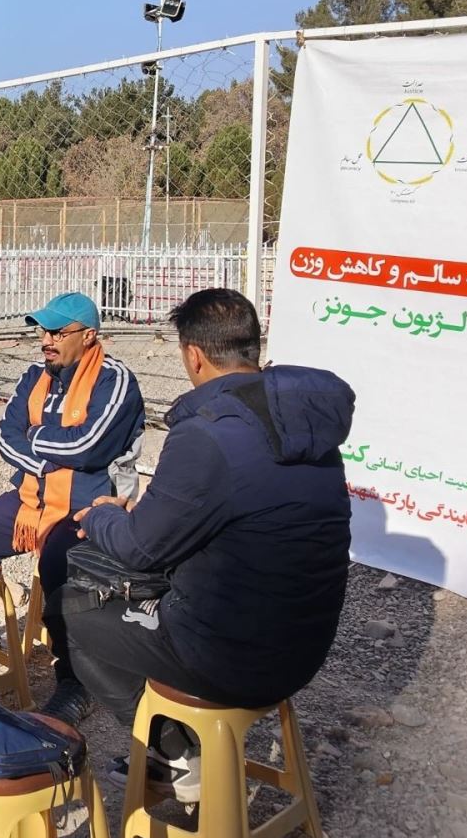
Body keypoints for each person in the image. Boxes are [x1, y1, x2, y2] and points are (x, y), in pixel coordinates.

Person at [69, 288, 354, 799]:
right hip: (307, 647)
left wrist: (103, 515)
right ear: (252, 347)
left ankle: (178, 756)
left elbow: (140, 549)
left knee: (77, 612)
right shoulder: (302, 421)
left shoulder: (208, 433)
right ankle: (182, 744)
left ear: (194, 356)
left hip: (232, 657)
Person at [0, 291, 144, 723]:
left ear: (88, 335)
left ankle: (76, 681)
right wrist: (49, 457)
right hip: (31, 500)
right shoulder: (35, 375)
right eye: (43, 331)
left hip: (93, 506)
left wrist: (36, 438)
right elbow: (6, 437)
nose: (46, 340)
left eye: (57, 332)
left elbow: (89, 447)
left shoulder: (115, 381)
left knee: (59, 562)